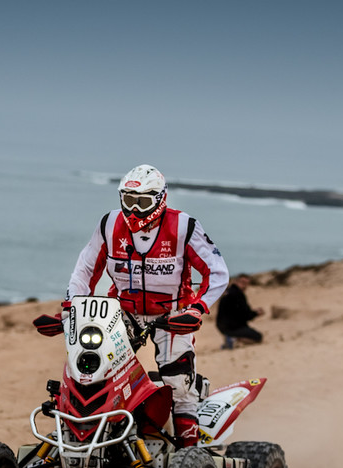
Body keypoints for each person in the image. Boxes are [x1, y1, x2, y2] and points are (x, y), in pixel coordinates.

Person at [62, 164, 229, 447]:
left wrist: (197, 309)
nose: (135, 210)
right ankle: (92, 438)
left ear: (160, 199)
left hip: (173, 313)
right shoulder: (109, 225)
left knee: (178, 381)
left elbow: (218, 273)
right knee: (94, 368)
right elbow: (84, 270)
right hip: (121, 311)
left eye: (142, 202)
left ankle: (189, 454)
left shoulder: (184, 226)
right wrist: (70, 309)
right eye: (129, 201)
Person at [216, 274, 264, 349]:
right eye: (243, 283)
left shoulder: (228, 292)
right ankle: (233, 340)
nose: (245, 286)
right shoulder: (238, 294)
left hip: (223, 326)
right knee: (258, 337)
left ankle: (230, 340)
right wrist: (256, 313)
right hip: (233, 327)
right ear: (236, 282)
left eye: (246, 283)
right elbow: (246, 315)